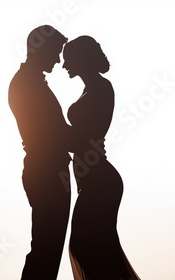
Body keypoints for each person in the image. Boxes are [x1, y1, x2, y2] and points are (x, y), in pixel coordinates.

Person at [62, 35, 140, 280]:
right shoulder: (90, 89)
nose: (64, 66)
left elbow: (85, 137)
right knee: (92, 249)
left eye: (68, 60)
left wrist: (49, 132)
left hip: (100, 181)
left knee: (87, 248)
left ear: (81, 59)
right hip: (92, 180)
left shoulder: (101, 88)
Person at [8, 25, 71, 279]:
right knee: (46, 249)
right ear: (39, 49)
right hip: (47, 171)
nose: (58, 59)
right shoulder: (26, 84)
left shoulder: (30, 82)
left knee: (47, 248)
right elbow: (52, 134)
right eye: (55, 52)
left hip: (47, 169)